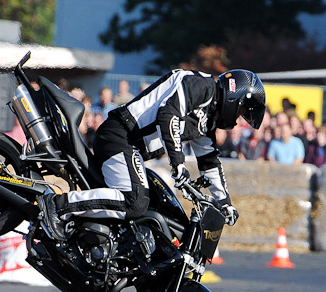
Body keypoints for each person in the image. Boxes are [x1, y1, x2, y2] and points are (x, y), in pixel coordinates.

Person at [36, 69, 265, 240]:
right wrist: (179, 166)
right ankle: (58, 204)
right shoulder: (201, 86)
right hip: (120, 135)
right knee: (135, 201)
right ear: (236, 98)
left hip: (129, 147)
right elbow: (169, 116)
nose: (238, 119)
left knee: (158, 203)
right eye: (243, 111)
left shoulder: (207, 119)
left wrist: (225, 203)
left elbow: (209, 161)